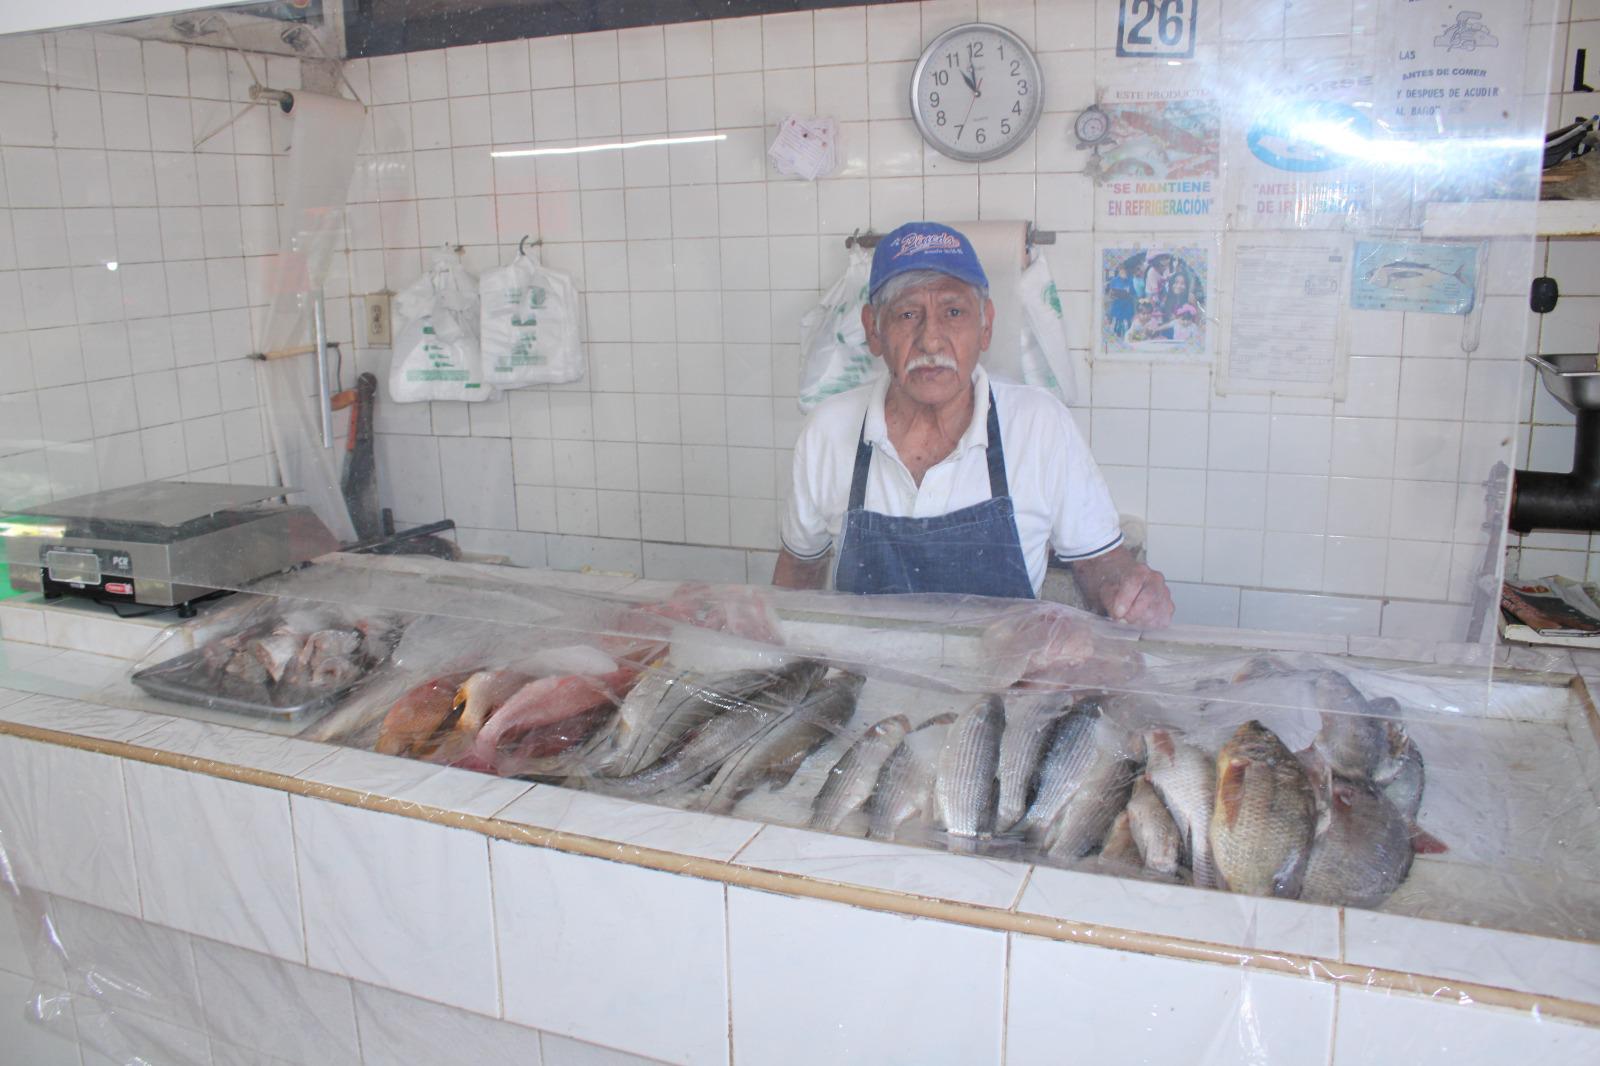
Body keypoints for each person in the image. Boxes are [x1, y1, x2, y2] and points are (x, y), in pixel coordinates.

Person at [774, 222, 1174, 627]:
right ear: (873, 331)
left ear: (986, 326)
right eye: (908, 313)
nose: (931, 340)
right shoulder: (827, 431)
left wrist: (1130, 591)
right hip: (861, 685)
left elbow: (1100, 565)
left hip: (1001, 685)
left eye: (953, 312)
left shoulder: (1039, 424)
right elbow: (799, 570)